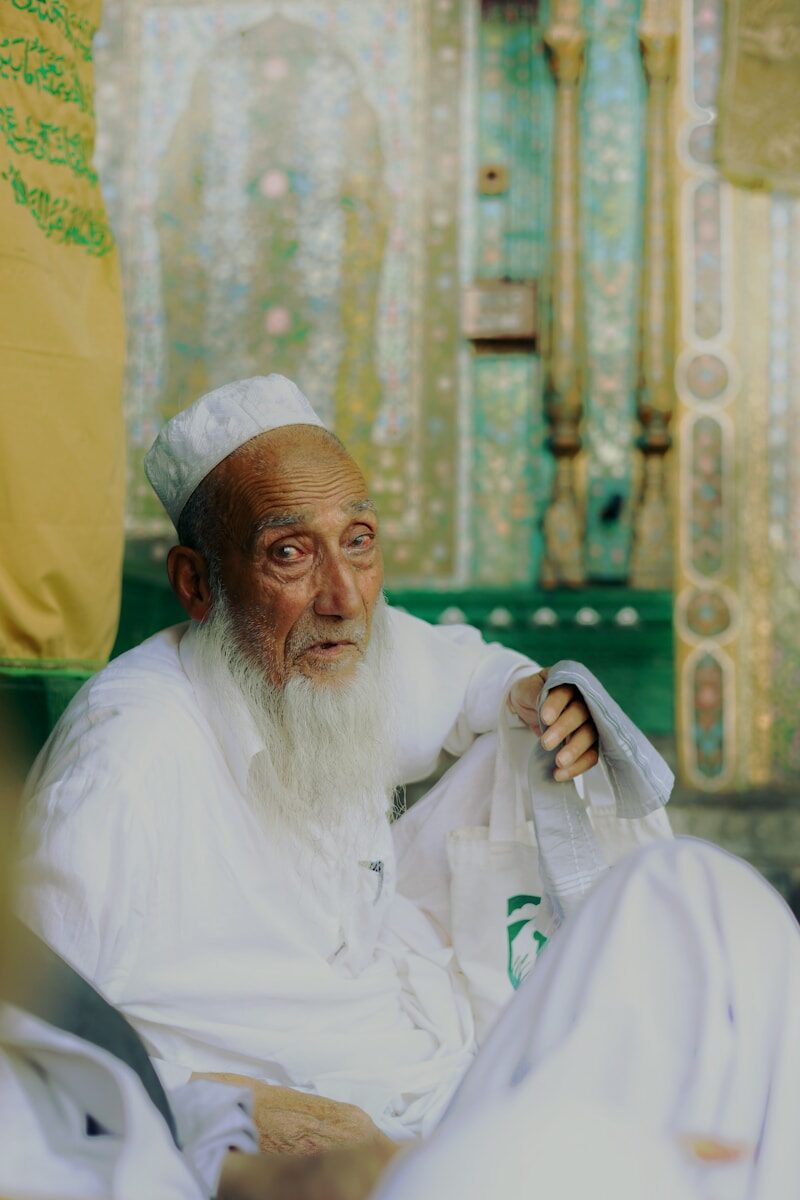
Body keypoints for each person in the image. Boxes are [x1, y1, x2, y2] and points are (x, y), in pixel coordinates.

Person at [17, 374, 604, 1142]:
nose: (345, 598)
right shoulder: (127, 756)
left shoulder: (341, 650)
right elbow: (26, 1029)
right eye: (289, 552)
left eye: (358, 541)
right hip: (276, 1145)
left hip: (417, 1058)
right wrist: (221, 1111)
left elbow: (475, 676)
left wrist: (537, 692)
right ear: (197, 584)